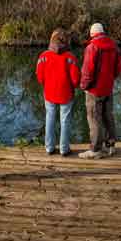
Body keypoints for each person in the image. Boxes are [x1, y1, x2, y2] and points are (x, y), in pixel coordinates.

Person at [79, 22, 121, 159]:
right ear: (103, 32)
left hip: (95, 90)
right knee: (108, 116)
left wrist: (84, 86)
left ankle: (95, 149)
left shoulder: (92, 47)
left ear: (92, 34)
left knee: (94, 118)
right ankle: (111, 145)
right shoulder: (113, 46)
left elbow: (87, 71)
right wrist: (110, 79)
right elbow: (118, 69)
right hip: (108, 88)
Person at [35, 28, 80, 156]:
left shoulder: (43, 56)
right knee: (65, 121)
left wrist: (46, 83)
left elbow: (39, 76)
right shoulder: (70, 58)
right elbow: (76, 80)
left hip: (49, 93)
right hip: (66, 94)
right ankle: (64, 149)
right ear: (66, 41)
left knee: (49, 118)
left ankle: (49, 148)